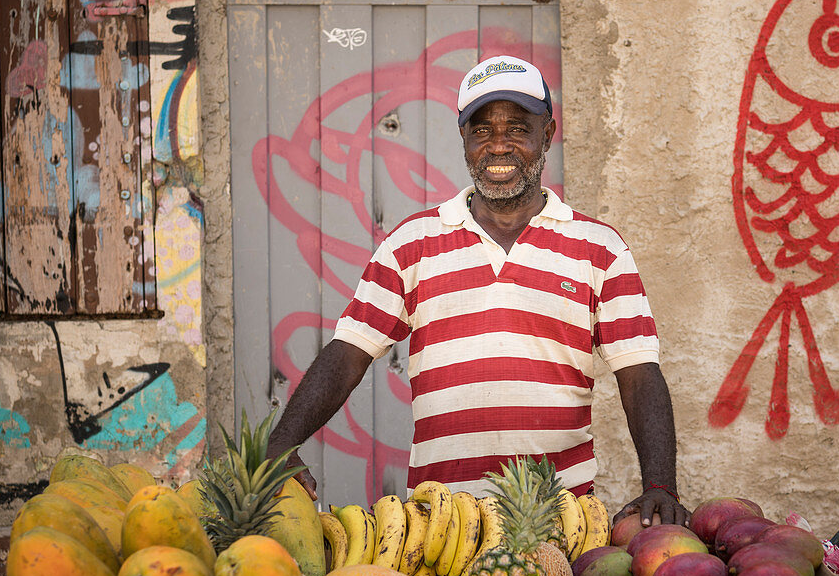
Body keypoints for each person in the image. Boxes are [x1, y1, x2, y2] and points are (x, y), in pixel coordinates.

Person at [267, 55, 687, 527]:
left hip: (560, 517)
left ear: (547, 135)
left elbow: (638, 374)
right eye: (482, 130)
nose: (499, 146)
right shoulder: (412, 243)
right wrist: (282, 442)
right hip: (440, 522)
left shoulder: (600, 249)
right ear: (464, 139)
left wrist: (660, 484)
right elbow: (349, 353)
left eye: (518, 128)